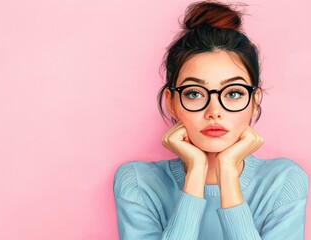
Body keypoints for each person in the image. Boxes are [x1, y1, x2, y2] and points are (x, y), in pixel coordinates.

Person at [113, 1, 309, 239]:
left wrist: (228, 173)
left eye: (233, 93)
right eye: (194, 93)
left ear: (255, 100)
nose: (214, 111)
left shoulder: (283, 182)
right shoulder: (138, 183)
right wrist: (195, 172)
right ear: (172, 102)